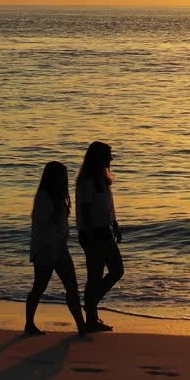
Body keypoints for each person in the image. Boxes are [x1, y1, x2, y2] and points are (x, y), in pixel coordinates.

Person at [25, 161, 86, 336]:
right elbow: (46, 224)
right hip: (45, 248)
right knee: (40, 286)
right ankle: (29, 323)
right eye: (62, 177)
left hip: (60, 247)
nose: (65, 181)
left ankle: (80, 324)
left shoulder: (58, 196)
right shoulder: (45, 197)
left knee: (72, 286)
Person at [76, 141, 122, 333]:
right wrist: (89, 235)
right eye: (108, 155)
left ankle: (92, 310)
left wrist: (115, 224)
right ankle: (91, 311)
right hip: (94, 232)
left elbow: (106, 206)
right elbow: (85, 210)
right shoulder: (88, 181)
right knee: (101, 274)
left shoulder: (101, 179)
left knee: (111, 271)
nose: (111, 158)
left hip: (104, 230)